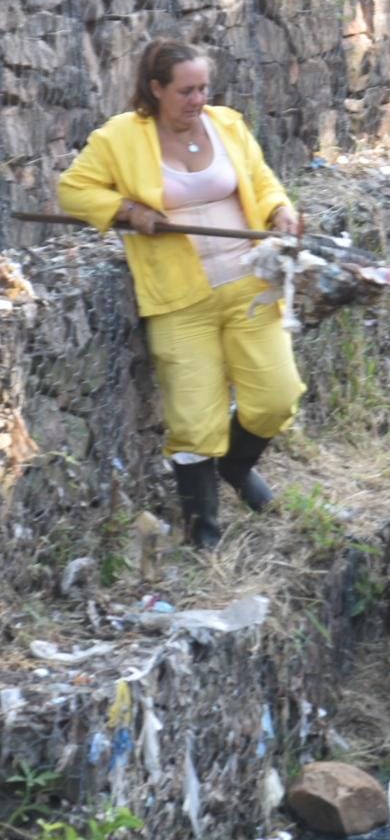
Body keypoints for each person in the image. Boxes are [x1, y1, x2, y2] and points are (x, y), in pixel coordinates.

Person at [57, 38, 305, 549]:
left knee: (277, 398)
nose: (198, 100)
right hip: (178, 298)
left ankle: (235, 466)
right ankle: (204, 534)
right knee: (194, 420)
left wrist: (281, 210)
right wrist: (128, 210)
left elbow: (262, 181)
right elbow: (73, 190)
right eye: (186, 91)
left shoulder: (227, 124)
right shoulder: (120, 137)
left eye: (203, 88)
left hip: (251, 285)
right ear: (155, 88)